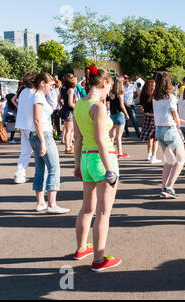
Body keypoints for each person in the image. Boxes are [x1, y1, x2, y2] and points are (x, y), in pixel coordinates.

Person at [73, 65, 121, 272]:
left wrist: (76, 164)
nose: (110, 91)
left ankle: (82, 248)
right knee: (103, 212)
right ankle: (99, 259)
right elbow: (102, 140)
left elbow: (78, 139)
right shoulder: (98, 107)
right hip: (102, 160)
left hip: (86, 159)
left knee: (87, 208)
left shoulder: (79, 105)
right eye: (109, 86)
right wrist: (110, 169)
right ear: (103, 83)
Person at [30, 73, 70, 215]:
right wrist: (43, 142)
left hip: (37, 134)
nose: (51, 87)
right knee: (54, 168)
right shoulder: (38, 97)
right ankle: (51, 204)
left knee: (41, 169)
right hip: (43, 135)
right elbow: (37, 120)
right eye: (50, 84)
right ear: (42, 83)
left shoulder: (37, 96)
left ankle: (41, 202)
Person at [153, 71, 185, 199]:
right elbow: (174, 115)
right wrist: (180, 125)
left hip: (159, 130)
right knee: (181, 159)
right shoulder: (171, 98)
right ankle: (169, 187)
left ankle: (164, 187)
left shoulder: (154, 98)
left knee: (169, 160)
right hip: (170, 130)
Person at [14, 72, 37, 184]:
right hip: (31, 125)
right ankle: (40, 174)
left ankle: (20, 174)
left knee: (25, 151)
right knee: (39, 151)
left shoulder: (23, 92)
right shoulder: (35, 93)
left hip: (23, 124)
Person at [107, 76, 130, 159]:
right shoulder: (120, 93)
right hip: (119, 114)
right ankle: (120, 153)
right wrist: (126, 114)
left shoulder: (110, 92)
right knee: (119, 135)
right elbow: (121, 105)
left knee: (111, 135)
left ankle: (110, 151)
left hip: (112, 114)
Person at [140, 79, 162, 164]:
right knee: (155, 139)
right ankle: (154, 156)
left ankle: (148, 154)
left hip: (147, 117)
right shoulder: (156, 96)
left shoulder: (144, 95)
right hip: (155, 118)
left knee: (150, 138)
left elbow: (142, 108)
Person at [58, 74, 77, 154]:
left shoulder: (62, 89)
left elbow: (58, 100)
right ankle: (67, 147)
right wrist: (77, 107)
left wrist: (62, 106)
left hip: (65, 110)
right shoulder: (70, 90)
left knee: (68, 129)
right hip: (69, 111)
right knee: (69, 130)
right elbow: (70, 103)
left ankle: (69, 145)